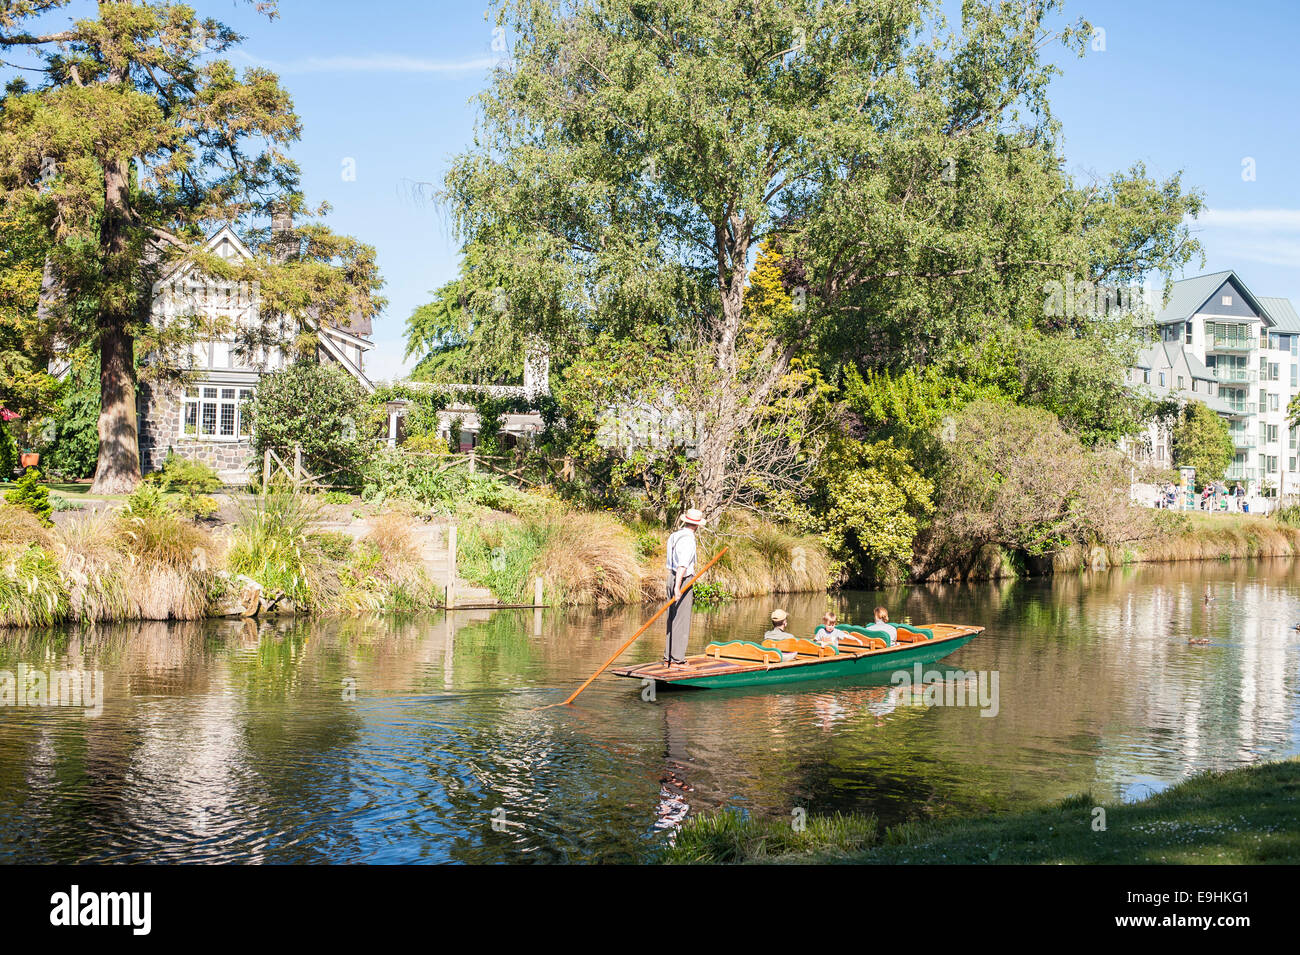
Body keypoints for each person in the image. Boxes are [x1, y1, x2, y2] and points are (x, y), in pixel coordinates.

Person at [663, 507, 704, 667]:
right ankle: (677, 659)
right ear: (697, 525)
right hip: (681, 579)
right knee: (681, 619)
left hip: (671, 577)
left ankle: (669, 656)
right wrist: (678, 588)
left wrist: (674, 584)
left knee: (672, 618)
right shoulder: (688, 539)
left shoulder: (675, 535)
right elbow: (682, 565)